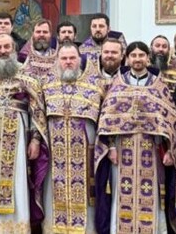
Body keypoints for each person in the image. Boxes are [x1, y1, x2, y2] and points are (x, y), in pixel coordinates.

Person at [94, 42, 176, 234]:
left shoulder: (158, 85)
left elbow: (170, 119)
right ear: (127, 58)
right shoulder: (118, 84)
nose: (138, 59)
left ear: (148, 58)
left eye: (142, 55)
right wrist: (111, 148)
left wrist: (169, 150)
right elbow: (107, 117)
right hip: (122, 149)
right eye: (134, 55)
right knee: (120, 194)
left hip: (150, 149)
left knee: (152, 196)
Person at [0, 34, 49, 233]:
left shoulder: (27, 77)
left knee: (17, 184)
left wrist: (35, 140)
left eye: (6, 47)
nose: (2, 51)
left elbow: (38, 111)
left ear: (14, 49)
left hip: (17, 141)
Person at [41, 43, 104, 233]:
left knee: (86, 194)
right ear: (58, 61)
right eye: (64, 58)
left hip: (85, 151)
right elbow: (37, 115)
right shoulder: (45, 83)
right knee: (53, 190)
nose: (68, 62)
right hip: (55, 151)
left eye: (72, 58)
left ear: (79, 60)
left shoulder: (95, 84)